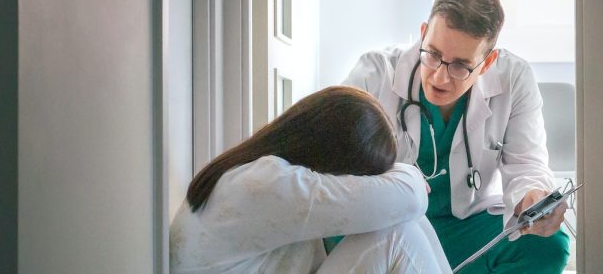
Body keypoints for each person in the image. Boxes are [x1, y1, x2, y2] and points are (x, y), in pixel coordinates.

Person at [343, 0, 570, 274]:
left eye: (460, 66)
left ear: (487, 63)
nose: (439, 77)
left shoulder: (514, 79)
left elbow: (528, 165)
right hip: (389, 227)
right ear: (423, 34)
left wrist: (533, 197)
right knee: (329, 232)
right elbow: (335, 166)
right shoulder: (374, 74)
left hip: (464, 228)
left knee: (549, 246)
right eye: (433, 55)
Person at [170, 86, 451, 274]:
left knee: (406, 222)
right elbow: (409, 198)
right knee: (396, 234)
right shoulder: (269, 184)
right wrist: (409, 173)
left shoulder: (253, 174)